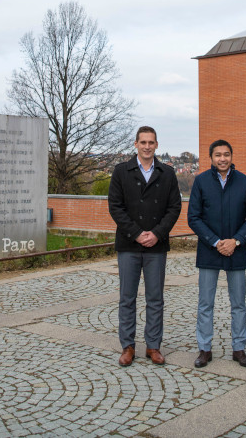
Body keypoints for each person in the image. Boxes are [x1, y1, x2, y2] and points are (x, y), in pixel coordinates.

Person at [108, 125, 182, 367]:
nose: (147, 146)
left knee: (155, 298)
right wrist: (138, 233)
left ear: (157, 145)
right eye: (143, 142)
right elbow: (115, 207)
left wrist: (157, 234)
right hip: (129, 244)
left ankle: (153, 346)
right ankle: (127, 346)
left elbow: (174, 208)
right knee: (127, 298)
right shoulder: (121, 171)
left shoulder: (167, 173)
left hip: (156, 246)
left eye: (151, 142)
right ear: (136, 144)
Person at [187, 139, 246, 368]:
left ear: (231, 156)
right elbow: (193, 218)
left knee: (238, 303)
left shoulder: (244, 182)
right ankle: (205, 349)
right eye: (218, 155)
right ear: (211, 158)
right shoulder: (200, 182)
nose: (222, 159)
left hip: (236, 252)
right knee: (205, 303)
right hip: (210, 251)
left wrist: (236, 241)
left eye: (226, 154)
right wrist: (216, 241)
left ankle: (239, 349)